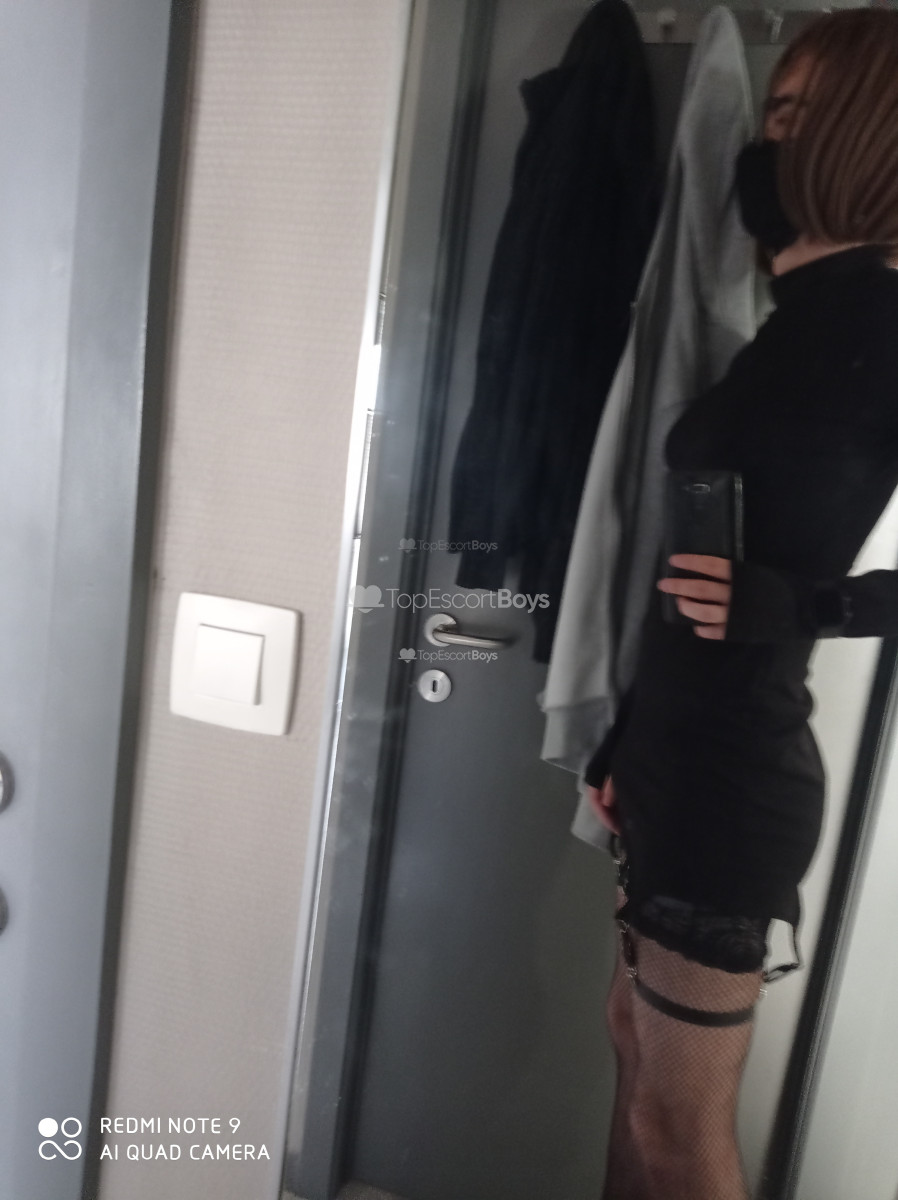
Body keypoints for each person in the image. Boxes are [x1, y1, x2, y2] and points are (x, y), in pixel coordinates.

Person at [583, 10, 898, 1199]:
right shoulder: (793, 325)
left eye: (802, 117)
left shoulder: (880, 325)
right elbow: (690, 583)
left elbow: (748, 597)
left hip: (731, 784)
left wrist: (802, 605)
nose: (770, 143)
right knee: (632, 1049)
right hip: (672, 755)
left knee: (676, 1128)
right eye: (774, 112)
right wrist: (624, 739)